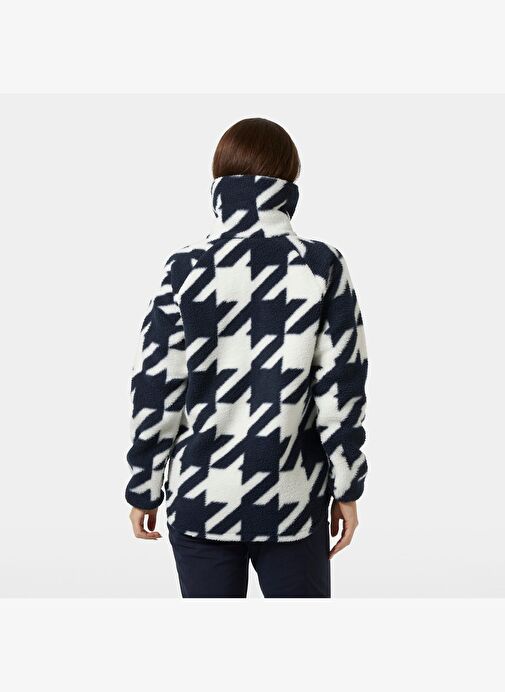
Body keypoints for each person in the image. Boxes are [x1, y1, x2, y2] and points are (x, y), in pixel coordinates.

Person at [125, 117, 368, 598]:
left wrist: (144, 485)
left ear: (220, 181)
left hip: (200, 497)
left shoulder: (186, 268)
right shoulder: (320, 264)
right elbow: (342, 389)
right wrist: (347, 486)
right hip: (291, 500)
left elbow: (155, 384)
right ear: (289, 180)